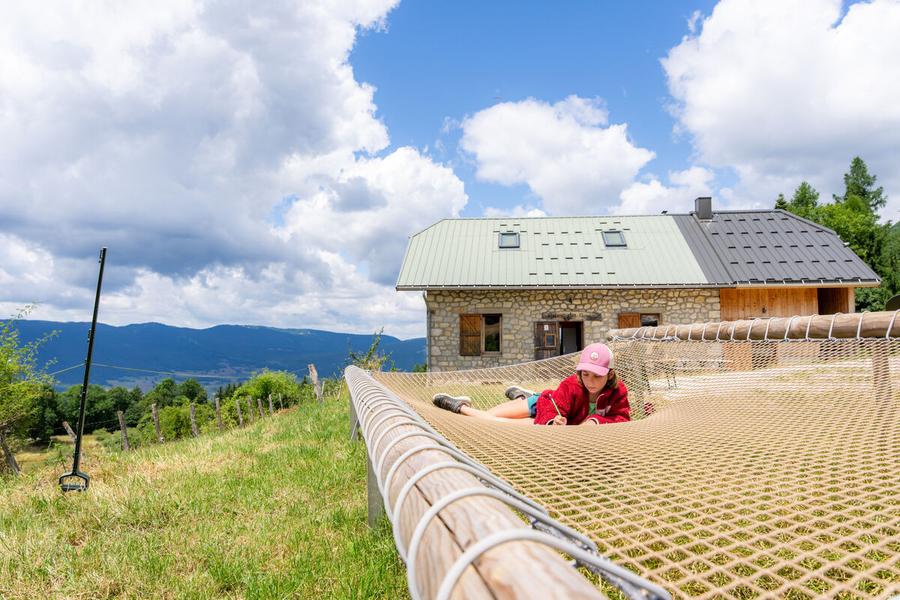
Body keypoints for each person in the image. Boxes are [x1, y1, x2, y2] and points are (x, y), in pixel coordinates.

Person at [431, 342, 630, 426]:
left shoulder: (618, 391)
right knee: (490, 419)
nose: (590, 381)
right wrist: (554, 422)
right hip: (542, 404)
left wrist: (596, 420)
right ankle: (459, 406)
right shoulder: (571, 385)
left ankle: (520, 395)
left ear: (609, 374)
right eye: (585, 374)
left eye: (597, 376)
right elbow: (554, 410)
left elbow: (622, 418)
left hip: (550, 415)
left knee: (506, 424)